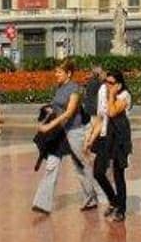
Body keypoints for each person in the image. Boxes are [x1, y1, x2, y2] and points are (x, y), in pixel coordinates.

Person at [32, 59, 99, 215]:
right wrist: (48, 111)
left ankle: (91, 198)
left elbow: (69, 112)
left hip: (74, 132)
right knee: (51, 166)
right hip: (59, 134)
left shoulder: (75, 89)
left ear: (68, 73)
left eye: (59, 72)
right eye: (56, 72)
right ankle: (42, 203)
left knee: (81, 166)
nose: (56, 75)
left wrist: (49, 125)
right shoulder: (60, 87)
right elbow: (57, 107)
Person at [87, 68, 133, 221]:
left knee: (118, 174)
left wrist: (112, 94)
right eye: (106, 81)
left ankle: (121, 209)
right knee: (98, 172)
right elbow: (102, 118)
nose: (107, 85)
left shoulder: (124, 96)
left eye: (111, 83)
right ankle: (113, 200)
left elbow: (112, 112)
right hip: (106, 137)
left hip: (119, 138)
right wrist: (91, 138)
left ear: (119, 84)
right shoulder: (103, 93)